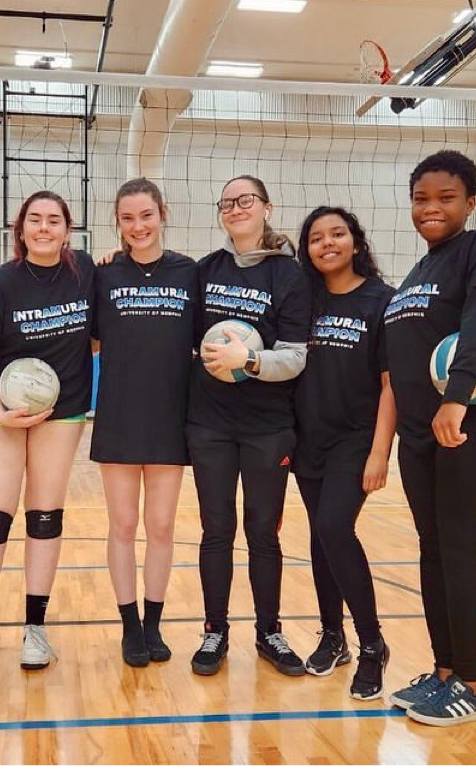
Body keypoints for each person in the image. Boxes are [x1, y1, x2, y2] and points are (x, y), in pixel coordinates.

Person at [384, 150, 476, 726]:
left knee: (461, 548)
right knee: (432, 549)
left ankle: (473, 683)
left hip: (473, 422)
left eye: (446, 198)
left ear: (470, 201)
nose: (431, 208)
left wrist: (457, 395)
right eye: (421, 199)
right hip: (421, 432)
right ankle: (444, 673)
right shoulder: (419, 272)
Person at [0, 190, 95, 677]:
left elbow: (95, 337)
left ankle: (35, 631)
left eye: (54, 220)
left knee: (45, 516)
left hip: (62, 412)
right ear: (19, 229)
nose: (44, 228)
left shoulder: (86, 271)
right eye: (35, 220)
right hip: (0, 413)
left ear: (68, 230)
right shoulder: (0, 283)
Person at [187, 175, 311, 677]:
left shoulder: (290, 275)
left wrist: (251, 359)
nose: (236, 208)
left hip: (268, 426)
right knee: (216, 530)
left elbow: (298, 357)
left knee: (263, 532)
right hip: (210, 423)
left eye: (247, 200)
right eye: (227, 202)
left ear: (267, 207)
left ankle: (269, 631)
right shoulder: (204, 270)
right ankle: (214, 629)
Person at [91, 178, 198, 667]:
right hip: (119, 413)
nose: (138, 226)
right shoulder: (104, 275)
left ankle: (154, 625)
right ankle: (129, 626)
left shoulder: (188, 273)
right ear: (118, 222)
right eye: (128, 218)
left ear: (163, 213)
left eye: (146, 215)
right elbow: (90, 338)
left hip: (170, 415)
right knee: (124, 524)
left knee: (160, 525)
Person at [294, 206, 396, 700]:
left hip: (354, 438)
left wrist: (380, 452)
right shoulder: (303, 298)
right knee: (320, 536)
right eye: (316, 237)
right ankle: (332, 636)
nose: (327, 243)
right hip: (306, 436)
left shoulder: (381, 301)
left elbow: (390, 383)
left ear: (356, 241)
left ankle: (372, 644)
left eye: (337, 234)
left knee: (335, 526)